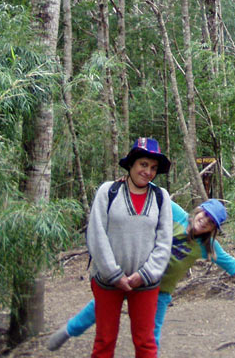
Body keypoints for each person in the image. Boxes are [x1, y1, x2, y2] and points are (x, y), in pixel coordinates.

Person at [48, 197, 235, 353]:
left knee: (151, 335)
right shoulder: (176, 214)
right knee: (97, 309)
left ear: (213, 229)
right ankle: (69, 331)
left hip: (159, 291)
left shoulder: (207, 247)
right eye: (205, 215)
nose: (205, 221)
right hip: (134, 274)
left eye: (211, 223)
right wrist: (125, 183)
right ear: (198, 210)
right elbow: (152, 194)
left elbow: (233, 265)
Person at [85, 137, 173, 358]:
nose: (148, 172)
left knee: (145, 343)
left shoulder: (161, 197)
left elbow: (164, 242)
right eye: (143, 164)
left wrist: (145, 274)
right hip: (107, 280)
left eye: (153, 167)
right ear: (131, 164)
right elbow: (96, 234)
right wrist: (113, 274)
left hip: (145, 282)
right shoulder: (108, 191)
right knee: (104, 341)